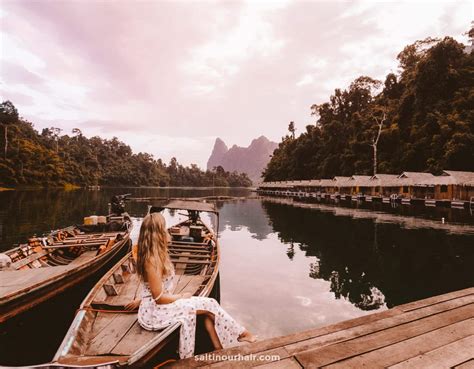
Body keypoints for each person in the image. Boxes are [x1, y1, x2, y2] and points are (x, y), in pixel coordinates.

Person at [126, 212, 256, 359]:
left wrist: (143, 300)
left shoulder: (157, 254)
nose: (166, 231)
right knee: (209, 304)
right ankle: (242, 333)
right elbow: (159, 299)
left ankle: (219, 349)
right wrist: (182, 296)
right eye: (164, 228)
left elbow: (151, 289)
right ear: (158, 232)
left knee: (208, 308)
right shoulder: (152, 261)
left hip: (157, 306)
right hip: (155, 313)